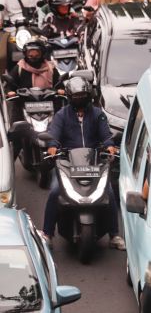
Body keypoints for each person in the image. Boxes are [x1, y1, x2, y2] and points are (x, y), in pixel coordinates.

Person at [41, 77, 125, 250]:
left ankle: (114, 235)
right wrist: (52, 148)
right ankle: (47, 234)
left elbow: (106, 136)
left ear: (89, 95)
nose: (80, 98)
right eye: (76, 95)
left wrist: (110, 147)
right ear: (70, 96)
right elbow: (54, 136)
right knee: (55, 192)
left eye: (83, 95)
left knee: (108, 192)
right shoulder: (61, 115)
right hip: (67, 163)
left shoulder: (97, 114)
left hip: (94, 163)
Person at [5, 39, 62, 140]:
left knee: (62, 129)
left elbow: (59, 83)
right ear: (25, 54)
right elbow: (10, 83)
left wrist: (61, 90)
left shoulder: (50, 67)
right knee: (16, 132)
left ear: (42, 53)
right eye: (30, 53)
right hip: (24, 106)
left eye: (36, 53)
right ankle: (16, 150)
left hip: (49, 106)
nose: (33, 56)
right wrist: (10, 92)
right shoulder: (19, 68)